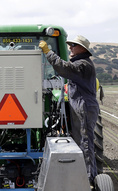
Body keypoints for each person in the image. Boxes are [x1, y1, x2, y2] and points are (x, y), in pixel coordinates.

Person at [39, 35, 99, 182]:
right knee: (81, 140)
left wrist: (48, 53)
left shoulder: (83, 64)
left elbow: (64, 69)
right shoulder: (81, 63)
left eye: (73, 45)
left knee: (85, 141)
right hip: (81, 104)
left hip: (83, 105)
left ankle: (89, 179)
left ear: (83, 49)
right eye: (70, 45)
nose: (70, 47)